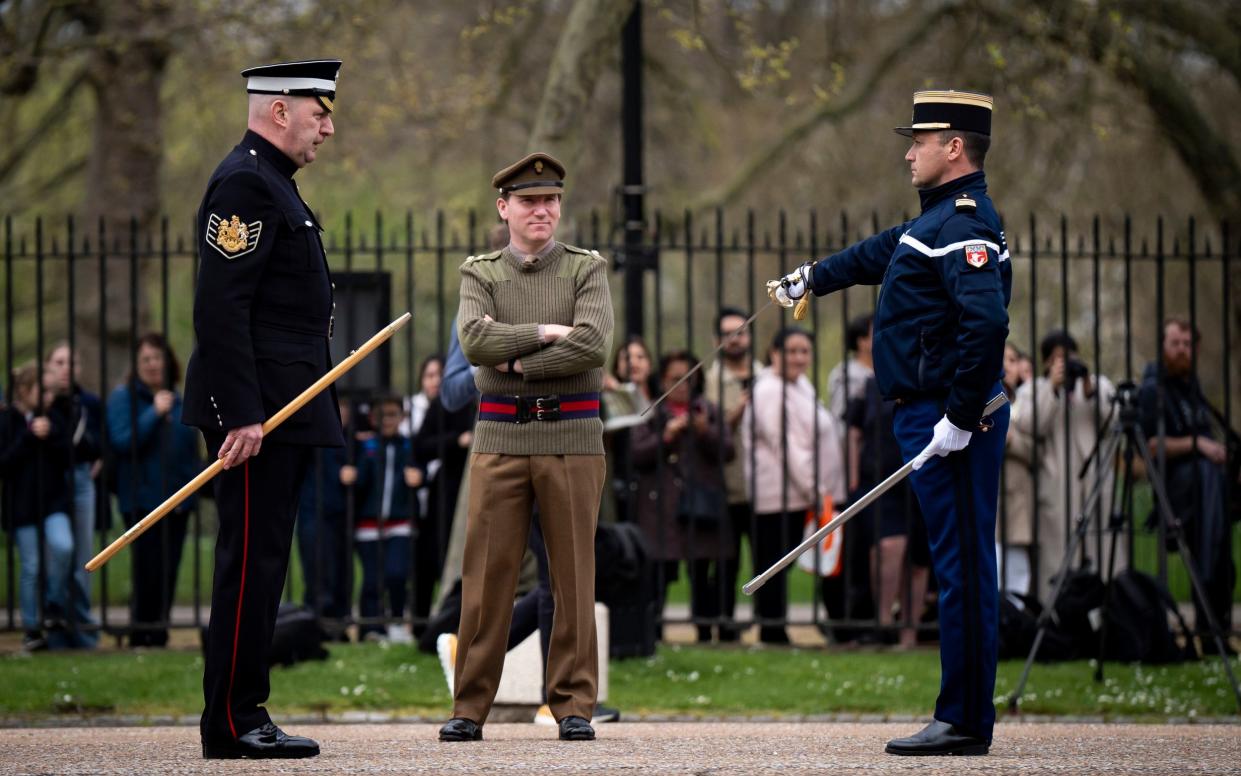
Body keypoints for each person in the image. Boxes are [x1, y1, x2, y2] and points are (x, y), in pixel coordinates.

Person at [769, 89, 1011, 755]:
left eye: (920, 141)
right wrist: (813, 278)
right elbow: (879, 252)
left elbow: (986, 323)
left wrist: (959, 417)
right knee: (957, 562)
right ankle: (960, 714)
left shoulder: (960, 225)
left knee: (962, 569)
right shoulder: (931, 223)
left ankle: (962, 721)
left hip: (950, 422)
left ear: (953, 147)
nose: (909, 151)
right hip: (929, 416)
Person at [182, 59, 344, 760]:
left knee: (266, 562)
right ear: (279, 110)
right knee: (248, 564)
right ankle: (232, 720)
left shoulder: (274, 183)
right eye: (320, 112)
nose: (329, 128)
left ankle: (245, 710)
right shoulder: (248, 183)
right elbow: (222, 310)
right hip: (257, 417)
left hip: (281, 408)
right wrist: (241, 412)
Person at [439, 152, 613, 744]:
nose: (542, 210)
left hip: (572, 437)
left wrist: (510, 361)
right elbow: (473, 344)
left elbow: (592, 346)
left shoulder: (588, 269)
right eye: (529, 201)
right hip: (500, 437)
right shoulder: (480, 272)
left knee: (571, 577)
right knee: (487, 577)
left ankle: (571, 705)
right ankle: (469, 706)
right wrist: (540, 335)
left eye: (551, 200)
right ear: (504, 208)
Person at [742, 327, 845, 644]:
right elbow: (786, 446)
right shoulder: (770, 390)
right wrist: (815, 491)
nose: (799, 358)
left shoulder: (800, 384)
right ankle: (773, 632)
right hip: (782, 495)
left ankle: (802, 627)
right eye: (792, 351)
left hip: (802, 493)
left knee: (792, 563)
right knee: (774, 566)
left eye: (804, 351)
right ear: (774, 353)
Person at [1140, 318, 1237, 651]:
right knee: (1206, 559)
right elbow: (1149, 445)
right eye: (1175, 343)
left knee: (1220, 561)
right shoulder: (1154, 390)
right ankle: (1210, 635)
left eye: (1187, 344)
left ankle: (1216, 637)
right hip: (1180, 493)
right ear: (1163, 346)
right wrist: (1196, 445)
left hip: (1210, 493)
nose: (1182, 350)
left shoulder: (1192, 389)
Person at [631, 350, 734, 642]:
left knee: (702, 573)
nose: (683, 386)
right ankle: (653, 633)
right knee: (659, 574)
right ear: (663, 381)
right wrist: (665, 437)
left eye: (689, 379)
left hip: (701, 506)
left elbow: (728, 450)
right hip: (660, 508)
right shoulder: (651, 413)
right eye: (676, 379)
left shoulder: (708, 411)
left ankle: (706, 630)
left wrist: (704, 431)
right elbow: (636, 454)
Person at [107, 333, 203, 647]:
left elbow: (188, 449)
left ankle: (159, 632)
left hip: (176, 501)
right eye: (145, 359)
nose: (152, 365)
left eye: (157, 358)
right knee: (147, 569)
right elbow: (122, 441)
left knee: (168, 570)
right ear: (137, 365)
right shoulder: (125, 398)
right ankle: (141, 632)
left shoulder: (177, 398)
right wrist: (153, 413)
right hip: (141, 500)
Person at [1013, 330, 1118, 605]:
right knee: (1056, 555)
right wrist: (1054, 389)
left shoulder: (1096, 385)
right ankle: (1056, 614)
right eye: (1059, 358)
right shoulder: (1035, 390)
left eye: (1070, 357)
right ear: (1047, 362)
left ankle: (1105, 614)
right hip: (1056, 484)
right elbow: (1028, 424)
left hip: (1095, 482)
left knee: (1102, 550)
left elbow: (1115, 421)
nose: (1067, 363)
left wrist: (1089, 389)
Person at [0, 363, 73, 652]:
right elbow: (4, 463)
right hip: (22, 505)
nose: (49, 397)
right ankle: (32, 628)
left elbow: (69, 452)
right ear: (23, 391)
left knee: (62, 546)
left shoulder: (54, 417)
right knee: (30, 565)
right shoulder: (7, 422)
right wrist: (29, 437)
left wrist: (52, 433)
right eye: (42, 391)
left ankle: (53, 603)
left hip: (53, 501)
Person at [342, 396, 423, 643]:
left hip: (399, 521)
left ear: (402, 417)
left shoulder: (409, 445)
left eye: (392, 415)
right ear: (373, 418)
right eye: (382, 415)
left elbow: (421, 472)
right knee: (371, 578)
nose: (387, 420)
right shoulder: (365, 446)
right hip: (368, 522)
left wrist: (419, 477)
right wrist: (354, 473)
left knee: (397, 573)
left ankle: (397, 621)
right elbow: (357, 480)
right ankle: (371, 628)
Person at [702, 307, 761, 641]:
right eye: (727, 333)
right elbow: (709, 433)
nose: (735, 339)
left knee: (768, 558)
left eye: (740, 332)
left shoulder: (766, 374)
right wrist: (734, 414)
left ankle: (769, 623)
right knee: (725, 560)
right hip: (725, 484)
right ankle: (724, 624)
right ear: (716, 340)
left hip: (764, 486)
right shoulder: (709, 381)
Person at [44, 342, 104, 648]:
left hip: (82, 479)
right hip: (51, 483)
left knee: (83, 557)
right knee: (58, 551)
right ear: (48, 367)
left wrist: (98, 458)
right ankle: (53, 625)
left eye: (71, 363)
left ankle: (82, 629)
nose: (65, 368)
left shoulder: (89, 402)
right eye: (58, 362)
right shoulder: (42, 404)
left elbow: (101, 443)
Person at [412, 355, 475, 630]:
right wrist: (457, 441)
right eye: (430, 374)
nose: (437, 381)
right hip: (445, 491)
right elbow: (421, 446)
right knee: (431, 555)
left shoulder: (475, 401)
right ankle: (423, 620)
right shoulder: (443, 405)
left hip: (472, 486)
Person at [295, 397, 353, 632]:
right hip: (314, 510)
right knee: (318, 572)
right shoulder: (313, 436)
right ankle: (319, 625)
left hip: (340, 514)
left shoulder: (352, 438)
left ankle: (336, 625)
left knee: (341, 572)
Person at [998, 343, 1035, 598]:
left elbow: (1039, 449)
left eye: (1011, 360)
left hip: (1017, 495)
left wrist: (1012, 440)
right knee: (992, 558)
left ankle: (1015, 617)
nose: (1005, 366)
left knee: (1017, 566)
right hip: (989, 491)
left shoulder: (1027, 404)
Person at [827, 313, 876, 422]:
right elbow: (839, 415)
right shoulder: (846, 374)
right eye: (875, 333)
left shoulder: (883, 370)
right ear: (861, 341)